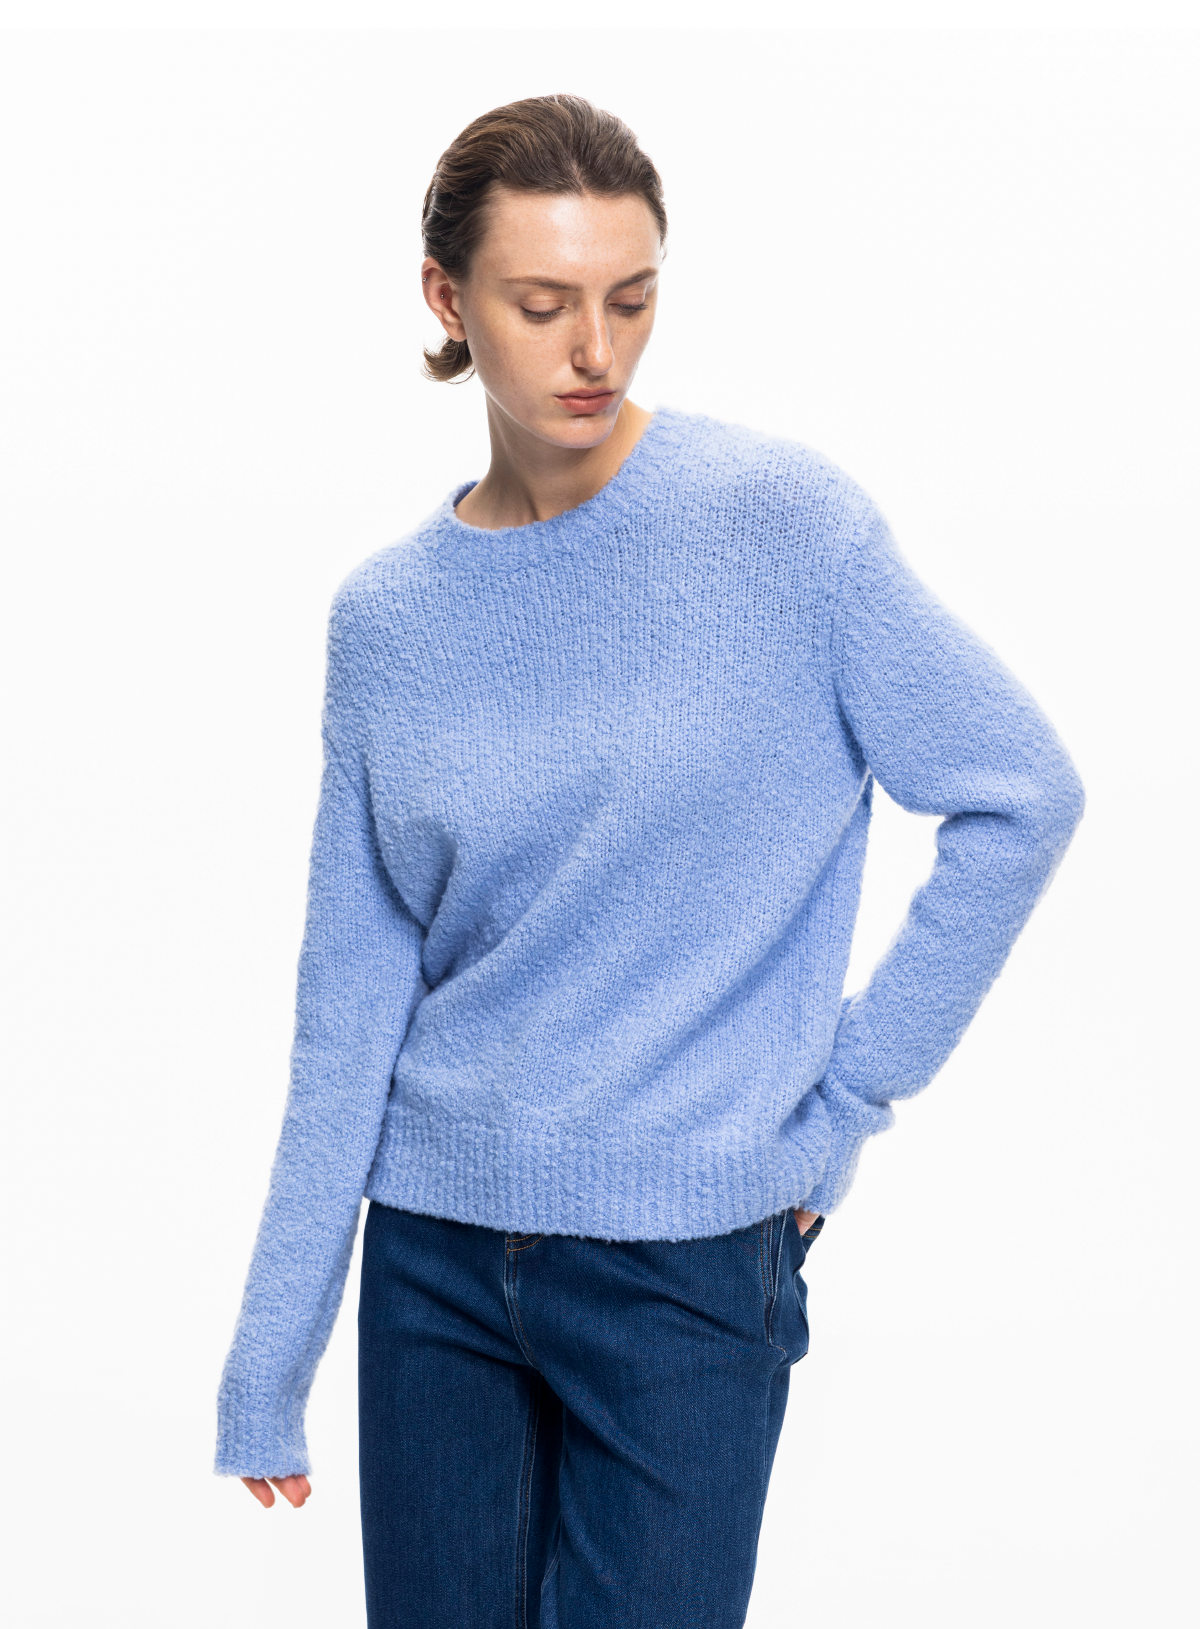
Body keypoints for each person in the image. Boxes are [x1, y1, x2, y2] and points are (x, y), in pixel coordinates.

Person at [215, 94, 1084, 1628]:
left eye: (631, 298)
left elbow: (1019, 792)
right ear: (447, 299)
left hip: (688, 1260)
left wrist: (842, 1105)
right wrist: (272, 1352)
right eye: (542, 303)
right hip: (432, 1269)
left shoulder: (781, 529)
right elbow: (348, 1009)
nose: (594, 349)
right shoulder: (388, 620)